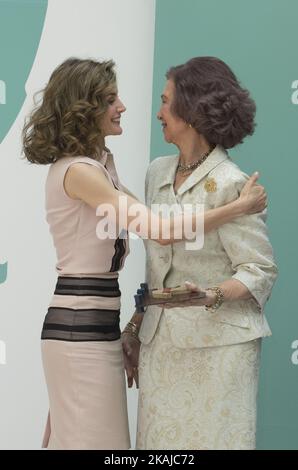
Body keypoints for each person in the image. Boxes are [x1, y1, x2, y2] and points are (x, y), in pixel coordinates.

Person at [23, 57, 267, 450]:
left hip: (98, 327)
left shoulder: (101, 169)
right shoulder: (81, 172)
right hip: (78, 330)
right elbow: (160, 230)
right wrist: (236, 208)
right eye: (109, 99)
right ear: (84, 108)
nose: (122, 106)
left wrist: (134, 323)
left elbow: (157, 222)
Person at [123, 57, 278, 450]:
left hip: (220, 350)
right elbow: (158, 262)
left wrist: (213, 295)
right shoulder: (155, 172)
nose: (158, 113)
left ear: (190, 111)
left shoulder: (233, 183)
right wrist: (136, 324)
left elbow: (259, 269)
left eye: (164, 102)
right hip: (161, 345)